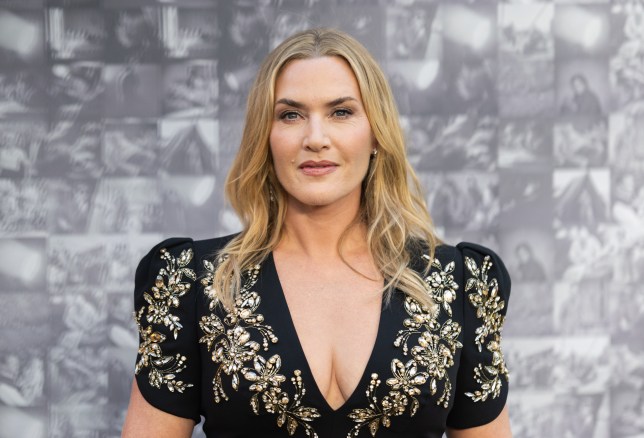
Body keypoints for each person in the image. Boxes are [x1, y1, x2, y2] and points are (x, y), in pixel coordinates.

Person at [122, 28, 512, 438]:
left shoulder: (459, 282)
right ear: (265, 137)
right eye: (290, 115)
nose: (316, 138)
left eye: (341, 112)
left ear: (376, 132)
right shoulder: (191, 280)